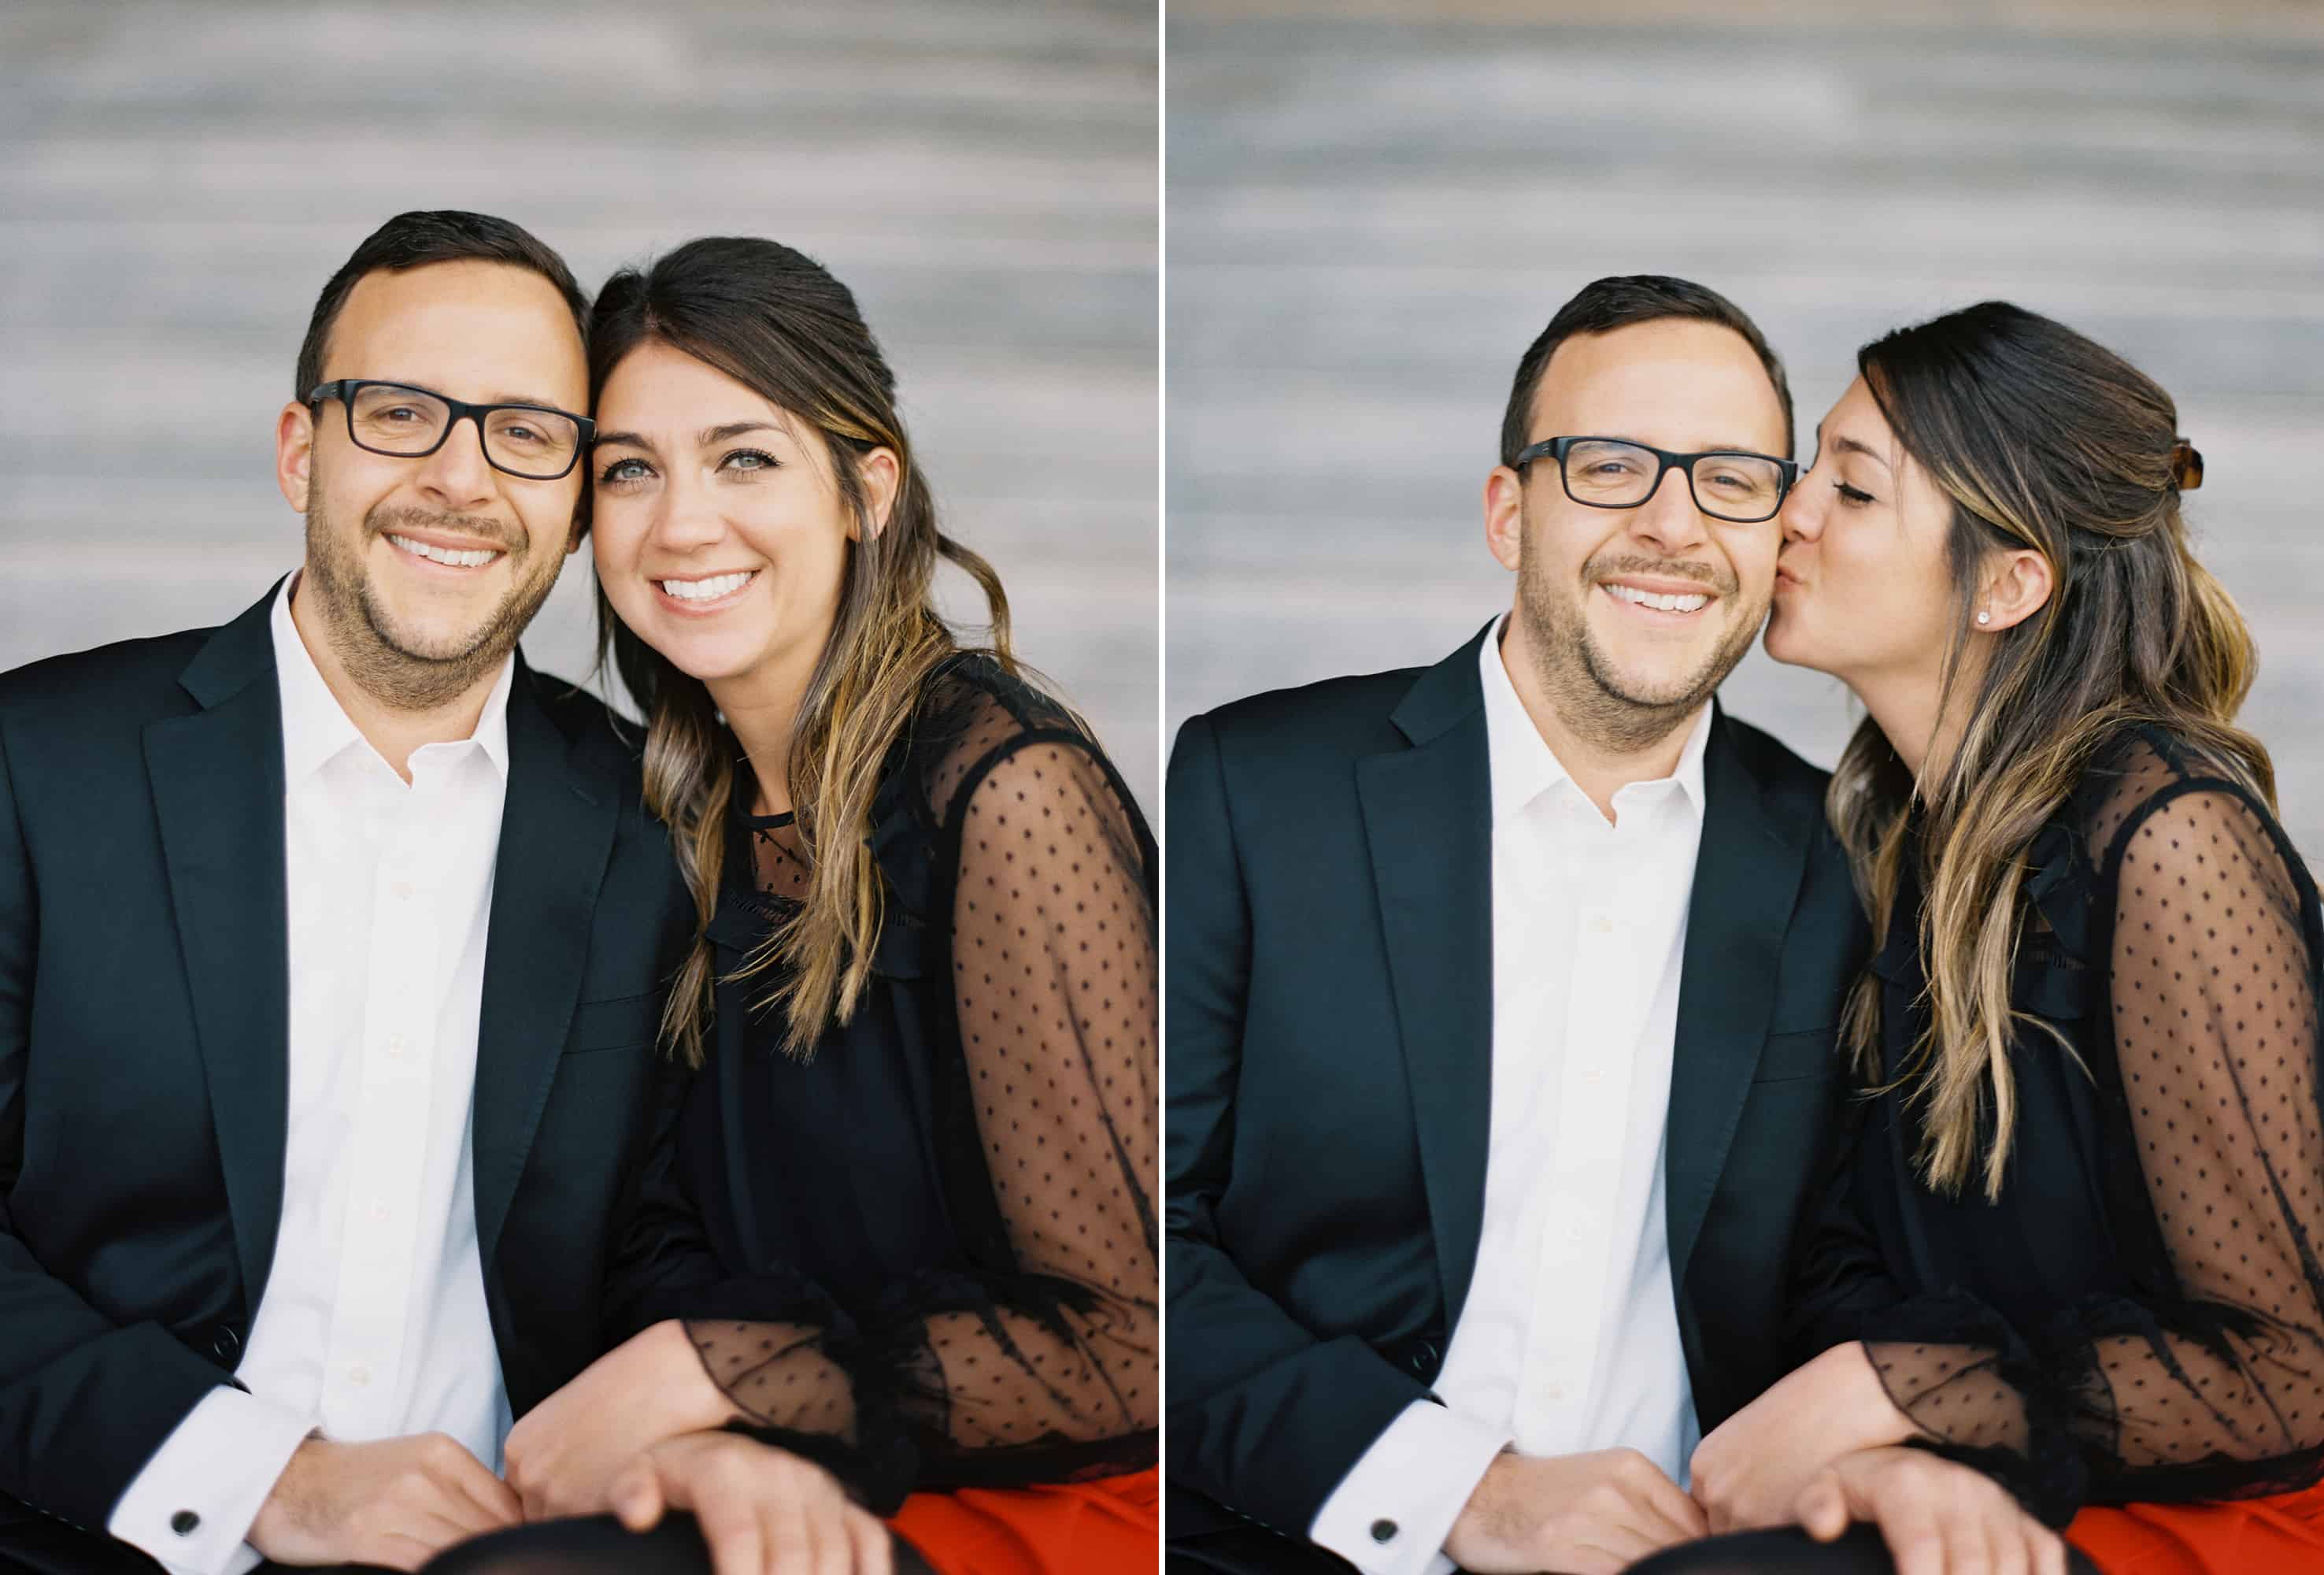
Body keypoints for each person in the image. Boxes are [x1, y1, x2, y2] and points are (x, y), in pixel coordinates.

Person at [1163, 274, 2063, 1575]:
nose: (1671, 525)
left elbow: (1848, 1258)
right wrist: (1459, 1489)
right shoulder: (1256, 789)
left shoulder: (1849, 860)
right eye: (1611, 466)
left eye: (1734, 480)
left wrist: (1896, 1451)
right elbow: (1142, 1243)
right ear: (1506, 509)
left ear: (1782, 530)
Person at [433, 236, 1158, 1575]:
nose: (681, 524)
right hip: (792, 1470)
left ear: (863, 488)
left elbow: (1131, 1346)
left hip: (1050, 1510)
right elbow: (651, 1230)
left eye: (744, 457)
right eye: (629, 471)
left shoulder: (1005, 792)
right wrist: (718, 1426)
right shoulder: (665, 809)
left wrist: (721, 1376)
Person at [0, 210, 703, 1574]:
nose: (461, 477)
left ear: (572, 509)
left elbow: (686, 1239)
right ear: (298, 450)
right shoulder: (35, 769)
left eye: (527, 432)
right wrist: (259, 1476)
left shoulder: (661, 823)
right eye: (401, 412)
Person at [1668, 302, 2324, 1574]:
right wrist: (1898, 1449)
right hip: (2002, 1486)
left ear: (2011, 582)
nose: (1789, 514)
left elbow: (2289, 1374)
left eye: (1852, 491)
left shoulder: (2170, 837)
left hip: (2215, 1525)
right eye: (1812, 470)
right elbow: (1845, 1250)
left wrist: (1909, 1393)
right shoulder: (1887, 837)